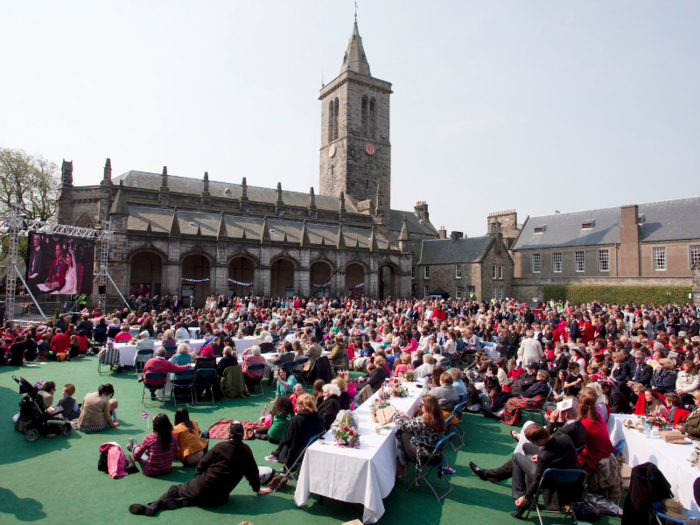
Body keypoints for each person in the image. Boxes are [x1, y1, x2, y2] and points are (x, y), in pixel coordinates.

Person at [129, 421, 272, 516]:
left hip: (203, 487)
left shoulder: (220, 446)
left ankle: (155, 505)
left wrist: (197, 480)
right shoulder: (247, 451)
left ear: (229, 434)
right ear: (242, 435)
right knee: (198, 493)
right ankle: (189, 498)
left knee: (176, 489)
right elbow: (253, 473)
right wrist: (257, 489)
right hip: (219, 500)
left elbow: (202, 464)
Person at [470, 404, 586, 485]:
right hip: (560, 459)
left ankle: (489, 474)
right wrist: (559, 422)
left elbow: (547, 440)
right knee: (525, 446)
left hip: (552, 463)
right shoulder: (580, 427)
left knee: (518, 456)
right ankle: (506, 469)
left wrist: (552, 422)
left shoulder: (566, 431)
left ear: (565, 415)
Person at [507, 423, 580, 519]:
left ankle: (521, 500)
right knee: (526, 447)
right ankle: (526, 500)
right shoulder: (565, 438)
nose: (533, 444)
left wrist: (525, 498)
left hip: (551, 482)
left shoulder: (544, 456)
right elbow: (561, 453)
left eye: (534, 442)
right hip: (574, 478)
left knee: (516, 456)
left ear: (540, 440)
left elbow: (537, 481)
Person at [393, 394, 447, 479]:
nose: (420, 406)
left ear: (427, 406)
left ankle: (400, 468)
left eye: (422, 404)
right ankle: (399, 470)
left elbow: (401, 425)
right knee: (407, 436)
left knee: (402, 433)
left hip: (425, 455)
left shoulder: (424, 420)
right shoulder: (438, 417)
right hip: (436, 454)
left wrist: (394, 413)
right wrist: (407, 417)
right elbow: (417, 424)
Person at [265, 394, 325, 467]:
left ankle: (278, 458)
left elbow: (286, 439)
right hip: (314, 452)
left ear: (299, 406)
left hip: (296, 456)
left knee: (286, 444)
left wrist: (277, 452)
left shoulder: (296, 420)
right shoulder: (319, 418)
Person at [577, 393, 615, 476]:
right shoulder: (598, 417)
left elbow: (577, 443)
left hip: (596, 456)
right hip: (605, 451)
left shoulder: (585, 423)